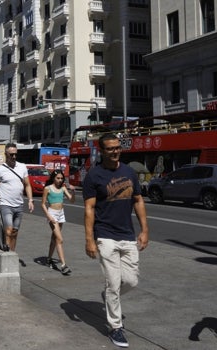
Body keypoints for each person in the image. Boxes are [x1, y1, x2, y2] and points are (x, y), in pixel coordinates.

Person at [83, 133, 149, 348]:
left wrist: (144, 230)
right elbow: (89, 209)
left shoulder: (129, 172)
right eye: (110, 148)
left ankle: (110, 296)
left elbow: (138, 201)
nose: (115, 151)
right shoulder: (94, 176)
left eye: (118, 147)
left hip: (127, 235)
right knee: (113, 283)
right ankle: (116, 327)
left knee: (131, 281)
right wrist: (89, 239)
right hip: (105, 235)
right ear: (102, 151)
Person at [0, 143, 34, 253]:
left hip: (19, 204)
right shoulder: (0, 170)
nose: (14, 157)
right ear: (6, 154)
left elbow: (27, 185)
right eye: (11, 154)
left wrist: (30, 200)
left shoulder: (22, 167)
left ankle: (12, 253)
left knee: (14, 232)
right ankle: (7, 253)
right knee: (9, 230)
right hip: (5, 204)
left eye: (15, 154)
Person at [40, 170, 75, 275]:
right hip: (52, 214)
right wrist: (49, 216)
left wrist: (72, 191)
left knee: (54, 238)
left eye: (61, 178)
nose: (60, 180)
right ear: (53, 178)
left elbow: (71, 200)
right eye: (58, 178)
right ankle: (64, 265)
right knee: (59, 239)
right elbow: (42, 204)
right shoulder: (48, 188)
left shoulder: (63, 188)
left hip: (61, 214)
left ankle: (49, 258)